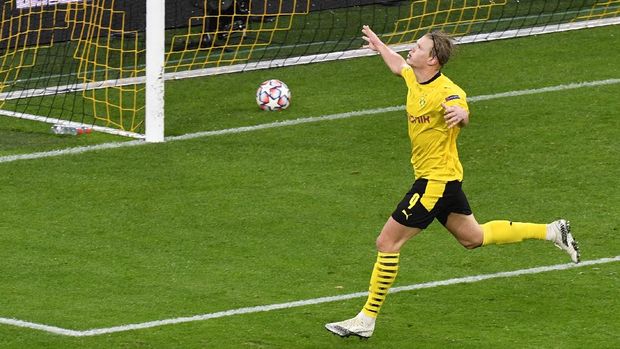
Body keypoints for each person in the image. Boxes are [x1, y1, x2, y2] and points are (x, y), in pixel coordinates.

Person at [324, 25, 580, 340]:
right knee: (473, 237)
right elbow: (398, 66)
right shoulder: (414, 78)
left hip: (436, 181)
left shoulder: (447, 90)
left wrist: (461, 114)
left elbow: (461, 106)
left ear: (433, 60)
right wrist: (379, 46)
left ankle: (366, 318)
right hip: (444, 179)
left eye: (418, 47)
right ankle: (553, 230)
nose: (412, 50)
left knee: (387, 243)